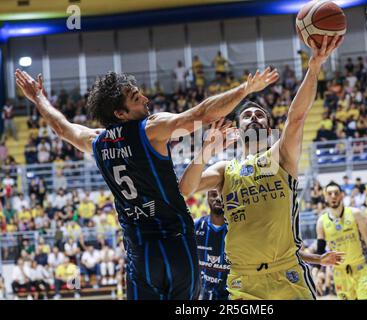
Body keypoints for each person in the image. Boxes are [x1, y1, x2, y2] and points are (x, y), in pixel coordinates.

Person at [16, 65, 278, 300]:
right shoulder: (150, 129)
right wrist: (246, 88)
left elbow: (62, 128)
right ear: (120, 113)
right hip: (176, 244)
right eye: (136, 98)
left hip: (140, 252)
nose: (146, 99)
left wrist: (38, 98)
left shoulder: (95, 141)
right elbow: (203, 113)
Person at [179, 35, 345, 300]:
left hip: (287, 274)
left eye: (259, 115)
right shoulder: (225, 169)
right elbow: (185, 189)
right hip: (244, 282)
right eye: (247, 115)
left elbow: (297, 116)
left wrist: (314, 67)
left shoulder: (281, 155)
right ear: (237, 127)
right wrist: (207, 148)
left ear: (268, 127)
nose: (254, 117)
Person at [316, 182, 367, 300]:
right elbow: (320, 251)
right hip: (339, 273)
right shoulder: (321, 222)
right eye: (329, 193)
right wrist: (316, 272)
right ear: (325, 197)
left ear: (342, 195)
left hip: (360, 269)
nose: (333, 196)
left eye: (336, 193)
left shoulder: (355, 214)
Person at [194, 189, 229, 300]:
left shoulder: (237, 230)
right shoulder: (194, 226)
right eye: (213, 194)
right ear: (207, 197)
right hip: (202, 296)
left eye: (222, 195)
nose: (218, 198)